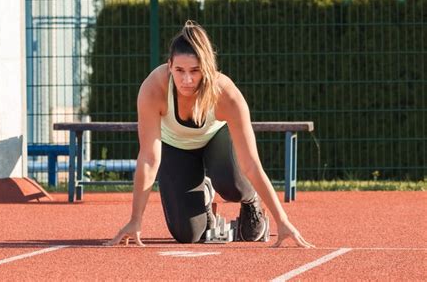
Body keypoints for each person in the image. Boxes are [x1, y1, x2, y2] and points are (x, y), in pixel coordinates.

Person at [108, 20, 314, 248]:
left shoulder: (226, 95)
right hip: (175, 146)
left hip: (216, 138)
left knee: (232, 184)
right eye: (179, 71)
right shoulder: (153, 89)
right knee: (188, 234)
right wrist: (135, 220)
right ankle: (204, 195)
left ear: (207, 68)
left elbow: (252, 164)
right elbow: (148, 158)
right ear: (169, 66)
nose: (186, 80)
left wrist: (282, 220)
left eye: (195, 71)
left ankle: (250, 200)